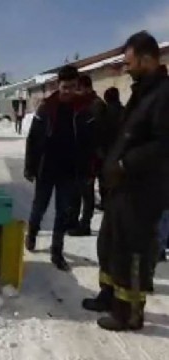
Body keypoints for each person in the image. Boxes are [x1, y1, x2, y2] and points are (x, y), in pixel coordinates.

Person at [81, 31, 169, 331]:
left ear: (147, 59)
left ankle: (129, 312)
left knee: (133, 250)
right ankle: (109, 296)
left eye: (129, 62)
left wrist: (124, 163)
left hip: (143, 190)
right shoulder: (143, 92)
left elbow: (162, 145)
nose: (125, 68)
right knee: (110, 243)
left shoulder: (164, 94)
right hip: (122, 188)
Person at [24, 65, 95, 271]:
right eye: (65, 87)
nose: (68, 91)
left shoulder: (83, 109)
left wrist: (88, 170)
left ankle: (57, 251)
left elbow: (89, 142)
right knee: (39, 206)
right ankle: (32, 233)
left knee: (63, 212)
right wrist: (30, 166)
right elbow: (33, 139)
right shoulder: (46, 107)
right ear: (58, 85)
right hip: (46, 168)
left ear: (77, 86)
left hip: (69, 170)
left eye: (72, 87)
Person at [68, 75, 106, 236]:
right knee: (75, 191)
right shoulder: (80, 104)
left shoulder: (96, 105)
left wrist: (96, 158)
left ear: (87, 88)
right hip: (77, 155)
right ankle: (72, 221)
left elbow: (97, 134)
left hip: (90, 157)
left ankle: (85, 225)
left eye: (78, 88)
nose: (76, 92)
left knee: (87, 193)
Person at [95, 87, 125, 210]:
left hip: (107, 153)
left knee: (105, 181)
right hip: (122, 152)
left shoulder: (104, 114)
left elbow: (100, 133)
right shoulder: (126, 111)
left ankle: (106, 203)